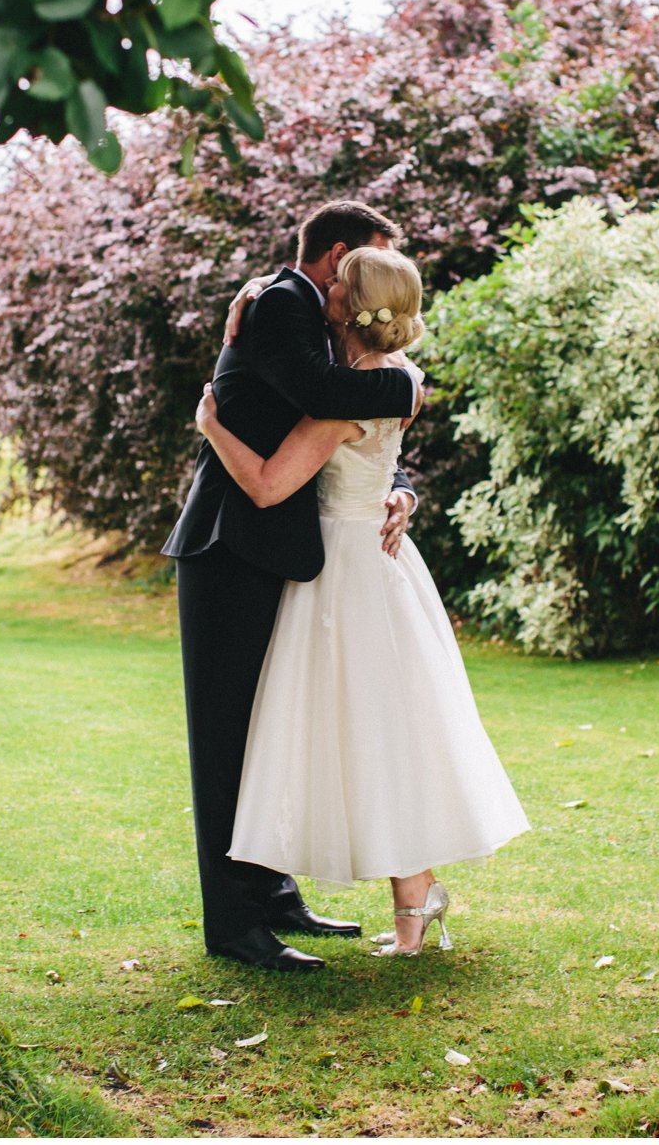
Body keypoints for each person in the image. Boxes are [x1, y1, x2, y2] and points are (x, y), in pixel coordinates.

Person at [196, 245, 530, 957]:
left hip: (342, 572)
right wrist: (401, 490)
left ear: (348, 304)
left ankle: (409, 909)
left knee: (363, 735)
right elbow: (392, 438)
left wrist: (212, 427)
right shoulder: (398, 380)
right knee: (394, 730)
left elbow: (264, 485)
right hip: (388, 568)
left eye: (336, 290)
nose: (327, 297)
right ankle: (414, 910)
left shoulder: (337, 405)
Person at [161, 201, 423, 972]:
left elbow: (339, 421)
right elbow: (323, 393)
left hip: (281, 550)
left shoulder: (298, 306)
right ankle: (235, 925)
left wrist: (398, 480)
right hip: (229, 544)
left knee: (266, 727)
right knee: (225, 739)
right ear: (336, 255)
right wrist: (411, 387)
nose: (359, 290)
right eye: (360, 268)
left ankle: (274, 895)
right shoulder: (280, 300)